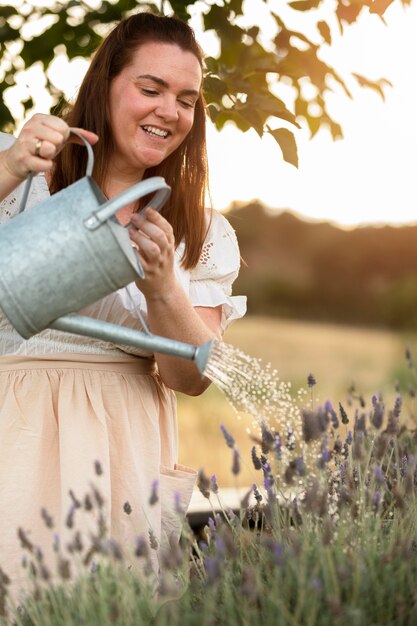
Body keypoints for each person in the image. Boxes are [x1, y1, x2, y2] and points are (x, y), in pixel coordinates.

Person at [0, 12, 246, 594]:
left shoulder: (198, 231)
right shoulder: (25, 177)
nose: (170, 111)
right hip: (16, 432)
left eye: (186, 100)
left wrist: (162, 284)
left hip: (125, 449)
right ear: (105, 84)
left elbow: (189, 377)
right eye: (151, 88)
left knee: (114, 603)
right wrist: (9, 163)